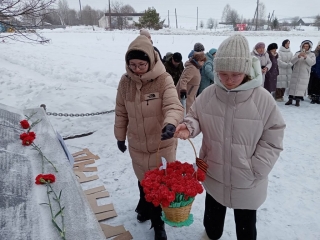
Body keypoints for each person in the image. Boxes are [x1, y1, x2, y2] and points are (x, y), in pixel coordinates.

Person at [174, 34, 286, 240]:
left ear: (246, 69)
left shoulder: (262, 99)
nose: (228, 80)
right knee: (212, 224)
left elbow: (273, 136)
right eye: (223, 74)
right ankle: (211, 234)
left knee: (246, 228)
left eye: (235, 74)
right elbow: (195, 116)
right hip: (214, 172)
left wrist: (256, 168)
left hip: (247, 179)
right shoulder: (209, 94)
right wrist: (188, 127)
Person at [114, 35, 184, 240]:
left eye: (141, 64)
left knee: (160, 186)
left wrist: (170, 123)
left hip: (161, 144)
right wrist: (120, 136)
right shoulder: (125, 82)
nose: (136, 69)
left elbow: (173, 105)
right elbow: (121, 111)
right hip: (137, 144)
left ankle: (158, 224)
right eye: (132, 64)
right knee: (142, 179)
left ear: (151, 61)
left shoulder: (163, 80)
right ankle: (144, 205)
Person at [286, 40, 316, 107]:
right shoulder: (297, 53)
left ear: (309, 47)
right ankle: (290, 99)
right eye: (304, 46)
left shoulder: (312, 54)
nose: (305, 47)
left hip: (304, 73)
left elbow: (312, 63)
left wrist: (306, 57)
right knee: (293, 86)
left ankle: (297, 101)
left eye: (307, 46)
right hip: (295, 72)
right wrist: (298, 56)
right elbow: (292, 61)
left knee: (301, 87)